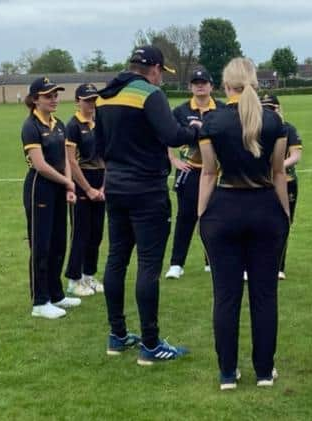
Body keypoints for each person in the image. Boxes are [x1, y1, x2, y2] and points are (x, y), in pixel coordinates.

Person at [95, 45, 198, 364]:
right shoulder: (149, 94)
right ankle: (151, 344)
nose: (160, 78)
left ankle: (117, 334)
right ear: (153, 68)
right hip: (146, 188)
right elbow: (172, 136)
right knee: (149, 265)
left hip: (115, 183)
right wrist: (195, 130)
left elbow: (98, 146)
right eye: (160, 72)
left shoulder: (104, 95)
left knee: (116, 259)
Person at [198, 57, 289, 390]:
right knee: (265, 296)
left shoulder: (212, 122)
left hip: (224, 209)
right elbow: (278, 173)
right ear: (254, 83)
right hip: (266, 208)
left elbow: (208, 173)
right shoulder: (274, 121)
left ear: (225, 86)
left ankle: (227, 373)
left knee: (226, 296)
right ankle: (264, 372)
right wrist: (284, 214)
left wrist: (200, 215)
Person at [21, 77, 81, 319]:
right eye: (48, 96)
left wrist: (68, 185)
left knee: (58, 243)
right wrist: (67, 181)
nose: (54, 99)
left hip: (58, 186)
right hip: (40, 187)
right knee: (41, 244)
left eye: (56, 95)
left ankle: (56, 294)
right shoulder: (30, 126)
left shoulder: (59, 124)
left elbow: (66, 159)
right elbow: (40, 165)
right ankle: (40, 301)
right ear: (35, 99)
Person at [164, 67, 224, 279]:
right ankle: (176, 264)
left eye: (204, 82)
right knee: (186, 217)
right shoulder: (180, 111)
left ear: (211, 86)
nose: (200, 85)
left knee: (214, 217)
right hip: (190, 170)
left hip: (215, 172)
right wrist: (173, 159)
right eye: (196, 82)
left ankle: (211, 260)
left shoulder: (222, 109)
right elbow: (166, 135)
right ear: (190, 86)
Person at [64, 83, 105, 297]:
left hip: (101, 179)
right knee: (81, 231)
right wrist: (88, 189)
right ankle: (74, 278)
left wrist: (104, 186)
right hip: (83, 179)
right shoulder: (73, 125)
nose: (91, 104)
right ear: (77, 101)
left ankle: (89, 275)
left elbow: (108, 154)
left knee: (97, 232)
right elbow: (71, 161)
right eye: (87, 100)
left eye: (94, 100)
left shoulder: (100, 122)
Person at [260, 94, 303, 280]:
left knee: (284, 222)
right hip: (262, 183)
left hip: (286, 181)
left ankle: (279, 266)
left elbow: (295, 156)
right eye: (265, 108)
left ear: (279, 109)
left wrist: (277, 166)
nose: (269, 112)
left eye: (272, 108)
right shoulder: (255, 129)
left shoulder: (288, 129)